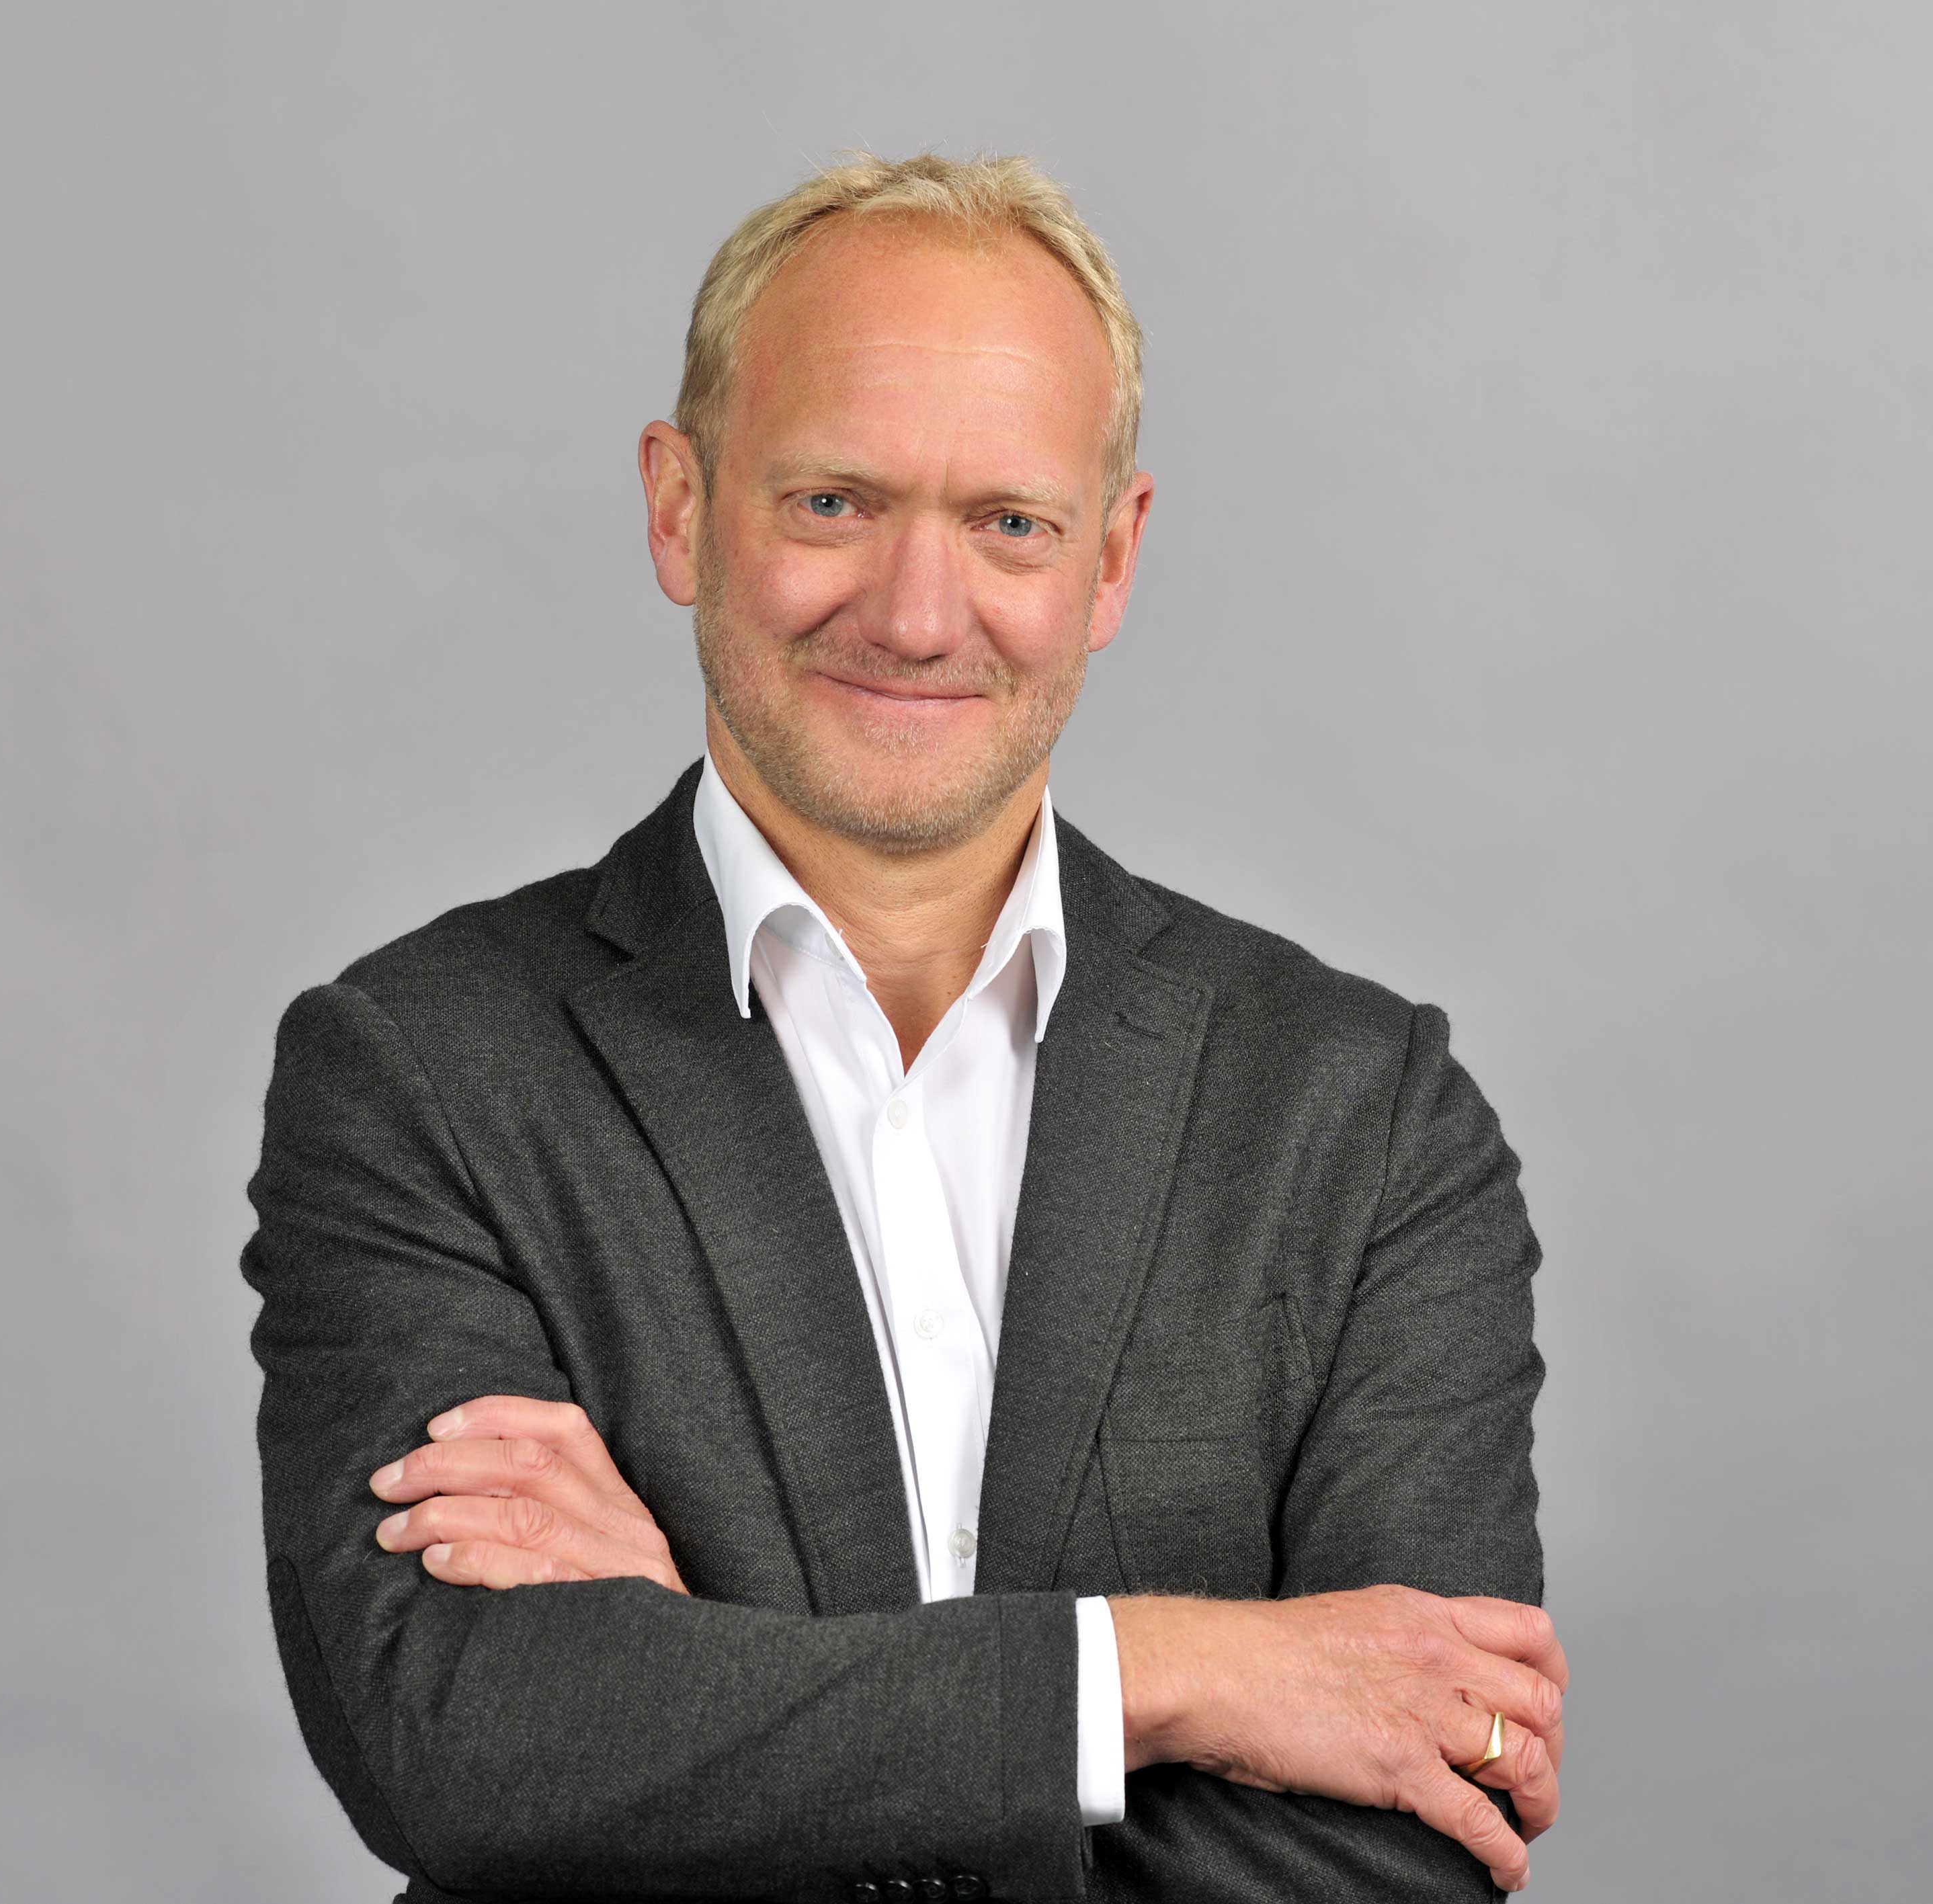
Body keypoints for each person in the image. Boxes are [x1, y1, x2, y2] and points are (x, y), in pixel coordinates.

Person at [241, 150, 1564, 1904]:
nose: (918, 613)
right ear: (677, 506)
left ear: (1110, 559)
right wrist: (1175, 1673)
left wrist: (702, 1683)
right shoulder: (421, 1071)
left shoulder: (1359, 1112)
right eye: (832, 505)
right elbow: (475, 1748)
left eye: (1008, 523)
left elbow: (1403, 1839)